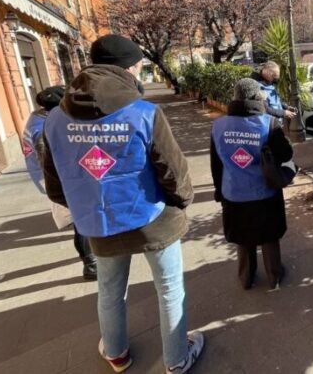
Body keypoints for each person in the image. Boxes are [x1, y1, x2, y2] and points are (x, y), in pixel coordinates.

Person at [42, 35, 204, 374]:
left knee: (110, 290)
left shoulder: (55, 120)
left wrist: (87, 205)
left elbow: (55, 186)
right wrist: (183, 200)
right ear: (128, 68)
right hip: (152, 218)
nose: (142, 69)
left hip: (98, 223)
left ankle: (116, 353)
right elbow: (173, 170)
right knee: (170, 290)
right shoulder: (144, 112)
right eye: (140, 64)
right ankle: (176, 359)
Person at [210, 78, 294, 290]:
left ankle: (246, 277)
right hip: (264, 192)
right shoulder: (268, 122)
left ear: (235, 97)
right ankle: (274, 276)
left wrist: (219, 192)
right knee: (269, 236)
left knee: (242, 236)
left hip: (233, 192)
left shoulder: (218, 126)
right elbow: (286, 153)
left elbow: (215, 164)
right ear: (259, 96)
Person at [22, 85, 97, 280]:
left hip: (53, 178)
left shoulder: (38, 119)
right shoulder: (45, 127)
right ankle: (91, 264)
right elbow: (50, 160)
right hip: (58, 180)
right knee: (79, 220)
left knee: (79, 219)